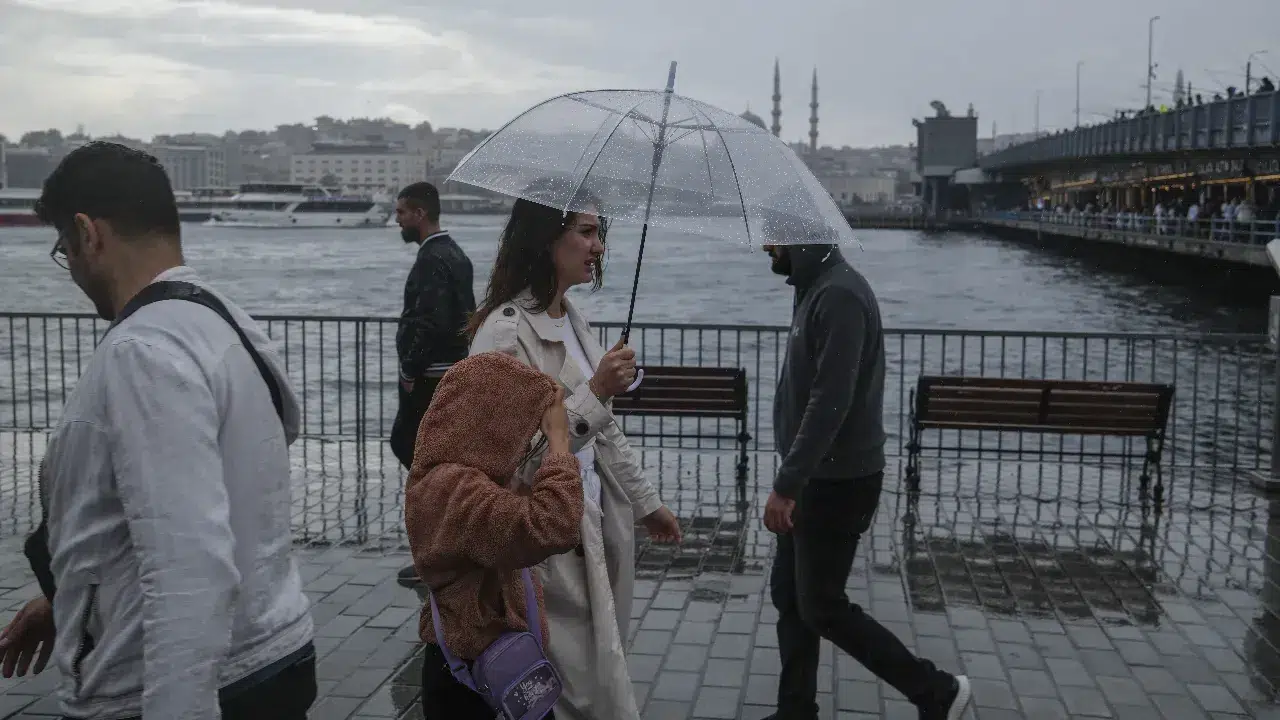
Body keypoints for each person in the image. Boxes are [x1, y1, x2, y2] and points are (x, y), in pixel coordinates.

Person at [0, 141, 316, 719]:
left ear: (87, 233)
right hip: (269, 648)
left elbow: (189, 563)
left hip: (180, 685)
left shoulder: (142, 353)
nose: (68, 266)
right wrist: (66, 597)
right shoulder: (217, 319)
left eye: (63, 249)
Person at [467, 193, 683, 720]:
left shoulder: (573, 319)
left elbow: (606, 436)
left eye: (599, 233)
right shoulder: (504, 331)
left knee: (599, 670)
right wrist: (596, 390)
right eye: (586, 232)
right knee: (571, 691)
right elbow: (508, 461)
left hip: (596, 525)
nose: (598, 247)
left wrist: (647, 502)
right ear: (547, 238)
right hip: (547, 542)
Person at [761, 227, 972, 720]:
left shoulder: (838, 295)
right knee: (790, 596)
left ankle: (936, 690)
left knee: (822, 606)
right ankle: (795, 711)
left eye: (773, 237)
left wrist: (787, 485)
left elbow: (830, 402)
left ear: (800, 237)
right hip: (814, 476)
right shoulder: (815, 289)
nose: (766, 247)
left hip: (836, 482)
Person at [406, 351, 584, 718]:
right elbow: (552, 524)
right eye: (518, 434)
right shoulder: (456, 491)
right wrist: (559, 446)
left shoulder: (443, 475)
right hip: (475, 676)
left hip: (466, 661)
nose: (520, 447)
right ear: (490, 424)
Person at [390, 181, 475, 588]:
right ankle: (446, 548)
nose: (398, 220)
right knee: (436, 462)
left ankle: (440, 550)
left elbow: (428, 321)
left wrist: (410, 370)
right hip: (451, 371)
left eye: (402, 212)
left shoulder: (431, 260)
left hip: (430, 377)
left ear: (420, 214)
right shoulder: (455, 255)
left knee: (412, 451)